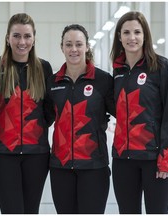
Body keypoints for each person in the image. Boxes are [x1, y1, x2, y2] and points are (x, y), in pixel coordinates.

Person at [110, 11, 168, 214]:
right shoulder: (118, 72)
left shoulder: (161, 67)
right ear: (119, 37)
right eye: (127, 32)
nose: (132, 37)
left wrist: (165, 160)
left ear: (145, 36)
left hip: (154, 159)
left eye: (137, 32)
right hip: (123, 160)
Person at [45, 24, 115, 214]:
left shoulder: (103, 80)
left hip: (94, 167)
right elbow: (43, 119)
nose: (73, 49)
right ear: (62, 47)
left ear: (86, 47)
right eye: (68, 44)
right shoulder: (52, 83)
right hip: (61, 167)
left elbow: (122, 113)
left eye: (78, 44)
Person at [0, 13, 53, 214]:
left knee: (31, 210)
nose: (22, 42)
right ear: (7, 38)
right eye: (16, 36)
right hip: (2, 155)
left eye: (27, 36)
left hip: (37, 155)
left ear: (34, 38)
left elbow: (49, 110)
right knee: (12, 210)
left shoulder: (43, 68)